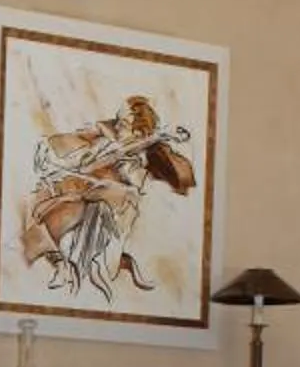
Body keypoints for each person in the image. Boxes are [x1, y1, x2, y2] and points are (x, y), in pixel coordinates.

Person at [19, 93, 197, 303]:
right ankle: (57, 262)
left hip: (107, 224)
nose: (116, 127)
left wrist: (157, 138)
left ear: (138, 131)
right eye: (117, 120)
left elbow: (117, 167)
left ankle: (62, 263)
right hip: (76, 203)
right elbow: (86, 159)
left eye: (122, 123)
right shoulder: (107, 141)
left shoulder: (138, 162)